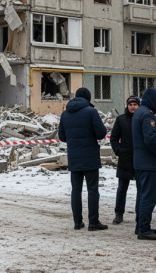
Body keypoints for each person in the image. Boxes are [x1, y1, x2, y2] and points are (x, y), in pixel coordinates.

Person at [58, 88, 109, 231]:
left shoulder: (65, 114)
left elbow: (62, 137)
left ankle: (77, 222)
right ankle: (93, 222)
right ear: (88, 98)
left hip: (74, 157)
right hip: (90, 157)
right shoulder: (91, 112)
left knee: (76, 190)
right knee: (92, 189)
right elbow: (101, 133)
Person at [131, 88, 156, 240]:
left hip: (140, 161)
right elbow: (150, 139)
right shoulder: (146, 115)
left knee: (142, 194)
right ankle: (144, 228)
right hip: (147, 162)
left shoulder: (139, 112)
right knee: (148, 196)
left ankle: (141, 226)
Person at [110, 96, 139, 224]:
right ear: (127, 106)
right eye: (130, 104)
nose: (133, 107)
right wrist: (119, 150)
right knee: (122, 188)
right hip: (125, 158)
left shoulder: (142, 119)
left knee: (141, 188)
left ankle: (140, 214)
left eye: (135, 104)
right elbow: (114, 138)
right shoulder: (121, 119)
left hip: (139, 159)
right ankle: (119, 213)